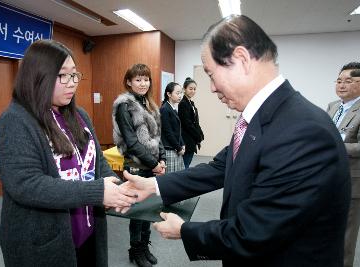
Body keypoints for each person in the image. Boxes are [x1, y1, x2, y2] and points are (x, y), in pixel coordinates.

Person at [121, 15, 351, 266]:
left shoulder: (303, 131)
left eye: (211, 74)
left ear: (241, 60)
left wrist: (186, 232)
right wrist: (153, 185)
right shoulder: (263, 118)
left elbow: (256, 233)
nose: (211, 88)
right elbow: (219, 168)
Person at [0, 40, 136, 267]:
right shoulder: (15, 122)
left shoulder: (79, 115)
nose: (72, 84)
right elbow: (28, 185)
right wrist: (97, 191)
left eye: (75, 75)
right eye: (63, 76)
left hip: (87, 232)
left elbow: (97, 160)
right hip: (44, 242)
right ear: (38, 76)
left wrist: (115, 188)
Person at [112, 63, 166, 267]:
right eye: (138, 79)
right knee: (137, 213)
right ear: (129, 82)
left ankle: (144, 246)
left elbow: (157, 136)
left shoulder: (148, 104)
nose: (143, 83)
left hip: (151, 165)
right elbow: (131, 142)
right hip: (136, 165)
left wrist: (161, 159)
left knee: (149, 210)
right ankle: (135, 250)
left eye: (146, 79)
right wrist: (154, 164)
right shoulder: (124, 105)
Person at [326, 62, 360, 267]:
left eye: (348, 81)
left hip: (352, 182)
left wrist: (335, 145)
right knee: (326, 229)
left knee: (346, 235)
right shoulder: (333, 106)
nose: (341, 85)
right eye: (339, 80)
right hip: (327, 179)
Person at [178, 77, 204, 168]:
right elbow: (187, 124)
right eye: (190, 89)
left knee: (187, 164)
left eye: (194, 89)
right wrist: (197, 135)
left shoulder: (191, 103)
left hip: (191, 138)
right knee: (185, 165)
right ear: (184, 89)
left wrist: (200, 133)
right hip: (186, 139)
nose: (193, 91)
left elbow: (195, 121)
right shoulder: (183, 103)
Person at [160, 82, 185, 173]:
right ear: (169, 94)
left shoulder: (172, 108)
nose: (180, 96)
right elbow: (168, 132)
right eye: (177, 93)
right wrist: (179, 148)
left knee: (178, 176)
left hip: (175, 148)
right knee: (170, 179)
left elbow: (177, 130)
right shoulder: (165, 109)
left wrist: (182, 144)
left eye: (181, 93)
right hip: (170, 149)